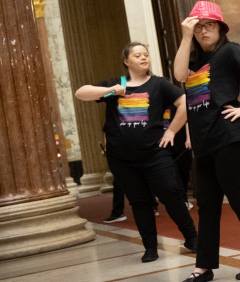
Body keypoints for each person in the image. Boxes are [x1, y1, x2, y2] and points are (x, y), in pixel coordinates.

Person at [174, 0, 240, 282]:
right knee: (207, 206)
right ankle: (204, 266)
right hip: (204, 142)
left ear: (220, 27)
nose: (205, 31)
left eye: (210, 25)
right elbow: (180, 77)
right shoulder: (192, 61)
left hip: (230, 137)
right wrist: (184, 36)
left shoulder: (230, 51)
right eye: (199, 27)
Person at [75, 42, 198, 263]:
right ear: (126, 61)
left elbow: (185, 103)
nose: (143, 58)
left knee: (171, 194)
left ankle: (192, 238)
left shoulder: (159, 84)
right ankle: (150, 247)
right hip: (121, 159)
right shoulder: (116, 85)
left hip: (155, 154)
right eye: (137, 55)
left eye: (146, 54)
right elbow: (80, 93)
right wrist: (109, 91)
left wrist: (171, 132)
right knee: (140, 203)